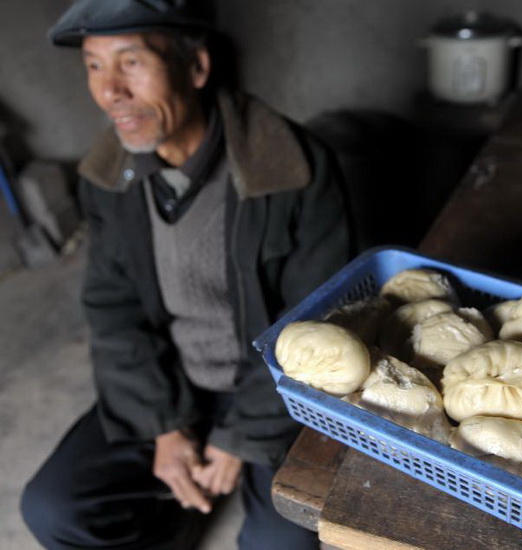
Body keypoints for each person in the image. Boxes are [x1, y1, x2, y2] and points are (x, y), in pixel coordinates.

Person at [19, 1, 351, 548]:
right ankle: (177, 518)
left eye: (131, 62)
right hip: (175, 386)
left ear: (195, 68)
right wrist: (163, 428)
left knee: (280, 543)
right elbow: (113, 307)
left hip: (274, 393)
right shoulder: (109, 177)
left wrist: (240, 436)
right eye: (94, 66)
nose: (110, 92)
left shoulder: (293, 167)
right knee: (54, 508)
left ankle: (214, 481)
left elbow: (321, 320)